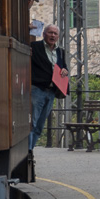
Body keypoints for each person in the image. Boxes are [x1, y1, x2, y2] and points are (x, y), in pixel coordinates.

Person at [29, 24, 68, 153]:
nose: (53, 35)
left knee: (40, 126)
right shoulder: (35, 47)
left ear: (58, 36)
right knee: (32, 123)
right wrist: (29, 29)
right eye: (50, 33)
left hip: (51, 92)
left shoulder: (60, 51)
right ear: (44, 34)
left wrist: (64, 70)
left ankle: (30, 150)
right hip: (37, 89)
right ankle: (27, 152)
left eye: (55, 33)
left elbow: (64, 67)